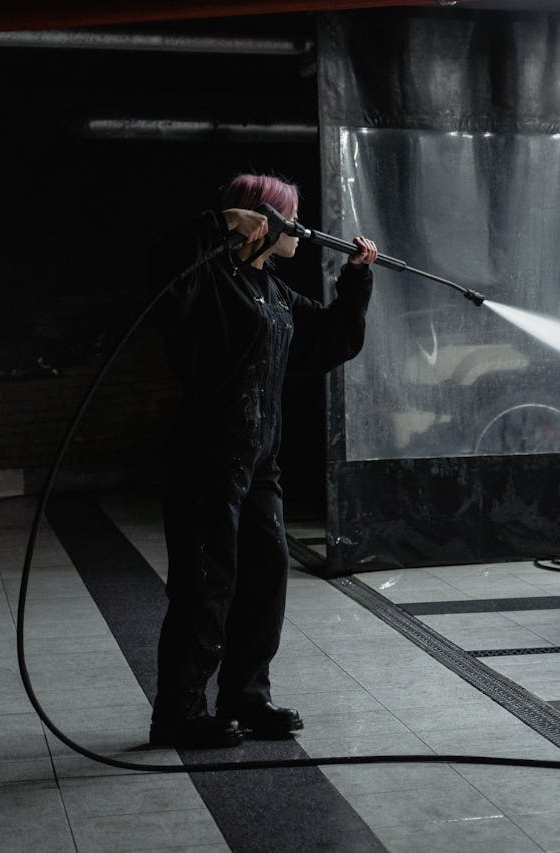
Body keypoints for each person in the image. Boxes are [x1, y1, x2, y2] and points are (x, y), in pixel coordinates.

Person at [147, 173, 378, 748]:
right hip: (207, 462)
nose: (302, 228)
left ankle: (246, 698)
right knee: (205, 586)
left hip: (259, 467)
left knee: (264, 581)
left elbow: (330, 339)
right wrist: (219, 224)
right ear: (261, 221)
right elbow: (161, 266)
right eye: (292, 217)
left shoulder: (273, 292)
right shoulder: (206, 280)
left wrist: (355, 281)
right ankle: (179, 713)